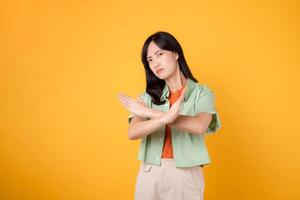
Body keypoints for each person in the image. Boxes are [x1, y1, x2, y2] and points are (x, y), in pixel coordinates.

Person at [118, 31, 221, 200]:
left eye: (160, 54)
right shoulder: (147, 97)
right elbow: (133, 132)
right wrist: (165, 117)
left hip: (185, 173)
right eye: (150, 60)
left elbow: (199, 125)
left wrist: (152, 113)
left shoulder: (202, 93)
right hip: (150, 172)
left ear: (175, 53)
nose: (155, 63)